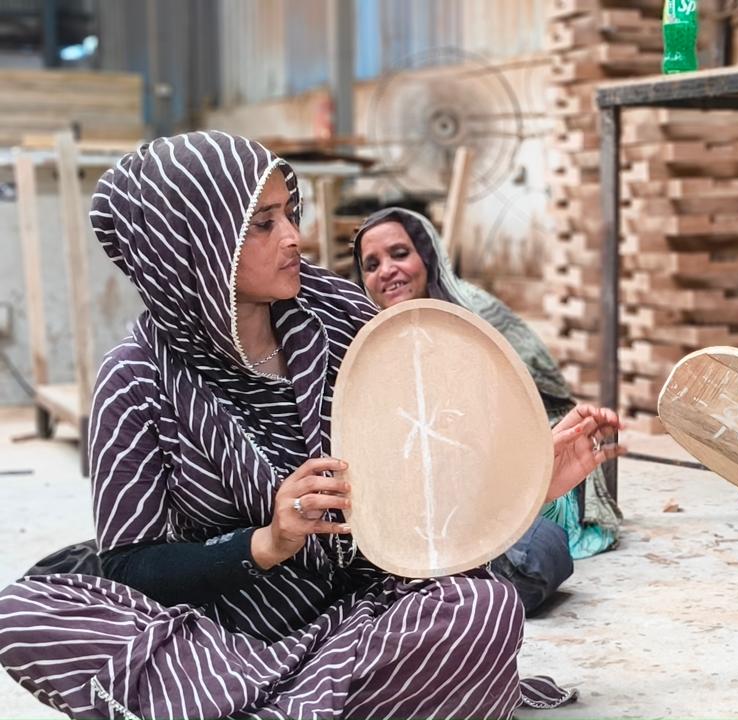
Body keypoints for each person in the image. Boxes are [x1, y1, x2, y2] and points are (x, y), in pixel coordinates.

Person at [0, 131, 623, 720]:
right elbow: (131, 567)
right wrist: (267, 541)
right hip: (218, 633)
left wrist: (526, 480)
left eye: (288, 213)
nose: (294, 237)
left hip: (362, 611)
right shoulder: (134, 380)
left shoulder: (345, 322)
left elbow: (418, 488)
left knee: (479, 609)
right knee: (28, 614)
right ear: (192, 242)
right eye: (263, 223)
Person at [352, 208, 624, 613]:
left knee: (536, 554)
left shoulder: (472, 313)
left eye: (399, 253)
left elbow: (520, 407)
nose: (387, 271)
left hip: (519, 453)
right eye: (372, 265)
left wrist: (523, 468)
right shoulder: (365, 345)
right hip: (437, 487)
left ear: (426, 255)